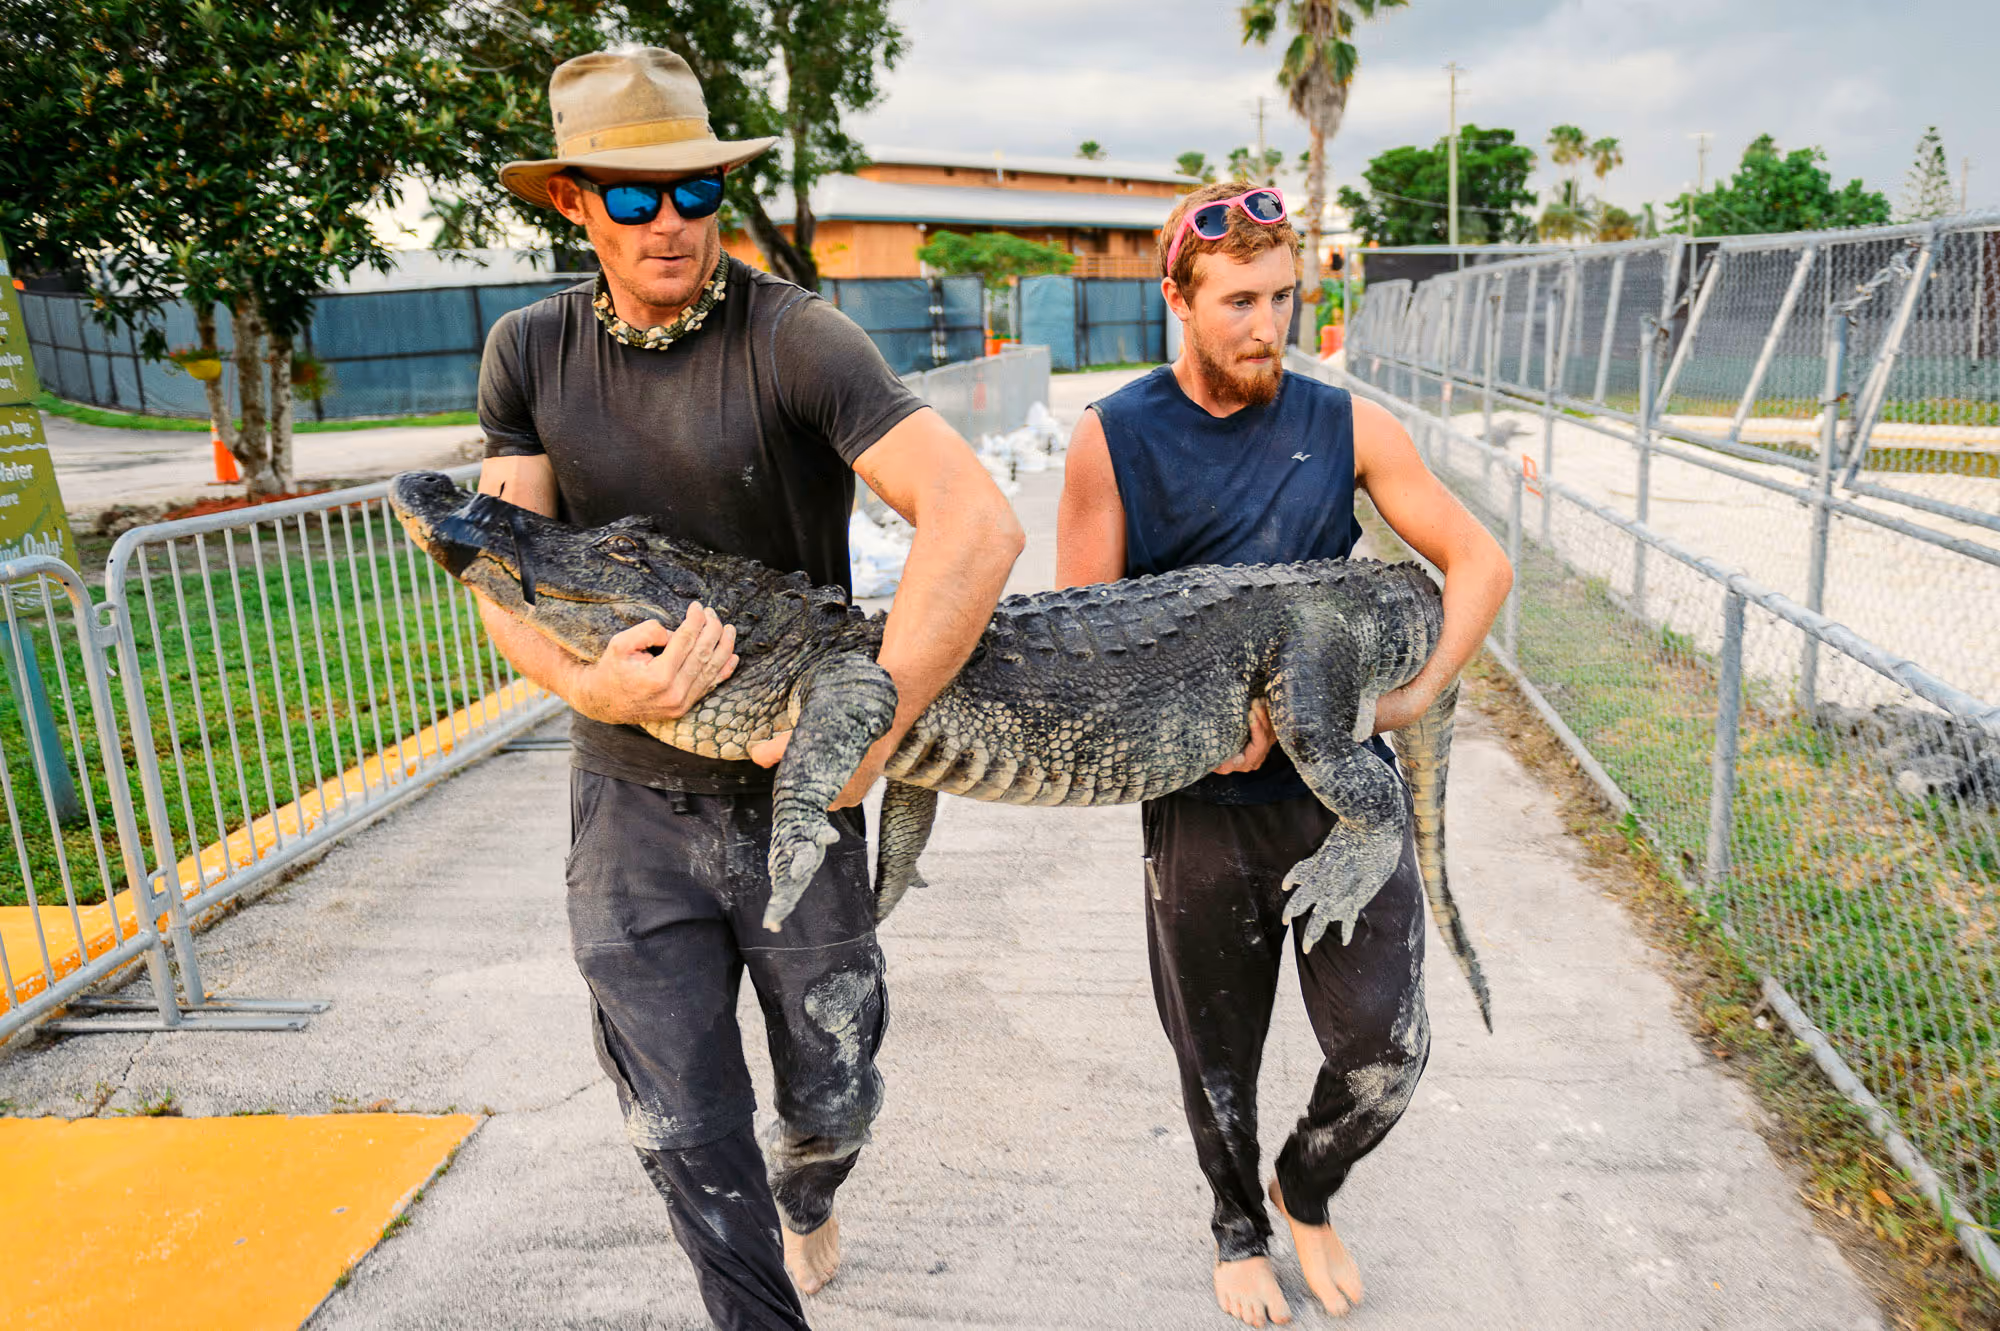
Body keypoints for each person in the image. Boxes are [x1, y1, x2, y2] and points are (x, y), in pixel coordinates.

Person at [475, 48, 1023, 1331]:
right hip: (625, 806)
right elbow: (502, 572)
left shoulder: (794, 337)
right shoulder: (527, 351)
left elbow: (974, 522)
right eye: (630, 196)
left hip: (794, 787)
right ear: (572, 202)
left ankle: (816, 1185)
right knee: (682, 1116)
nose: (668, 221)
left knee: (832, 1090)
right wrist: (592, 688)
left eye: (693, 191)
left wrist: (867, 724)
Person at [1055, 181, 1511, 1327]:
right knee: (1216, 1050)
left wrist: (1403, 701)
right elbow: (1078, 640)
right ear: (1176, 296)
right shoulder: (1113, 438)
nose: (1268, 326)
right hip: (1197, 804)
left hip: (1336, 790)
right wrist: (1197, 733)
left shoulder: (1346, 425)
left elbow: (1479, 562)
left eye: (1283, 298)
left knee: (1384, 1048)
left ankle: (1302, 1186)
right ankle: (1235, 1225)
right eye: (1239, 300)